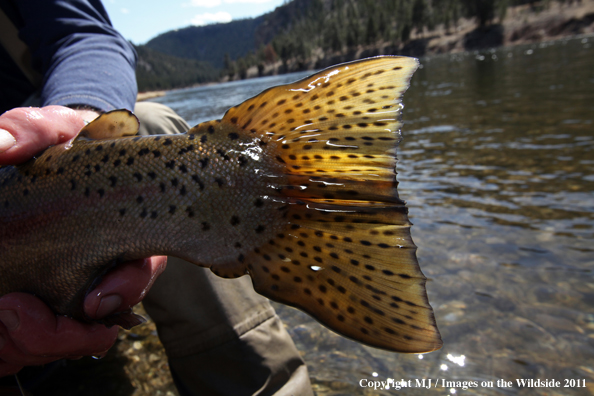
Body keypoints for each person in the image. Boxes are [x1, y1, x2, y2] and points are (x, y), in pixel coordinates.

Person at [0, 1, 312, 395]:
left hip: (26, 164)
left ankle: (264, 384)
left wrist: (78, 124)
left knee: (151, 121)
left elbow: (81, 34)